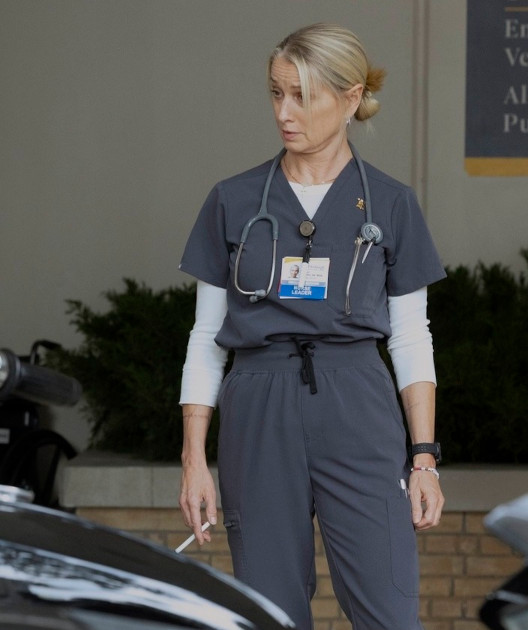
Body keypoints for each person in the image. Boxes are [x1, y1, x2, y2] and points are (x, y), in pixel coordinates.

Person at [176, 24, 444, 630]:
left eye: (302, 96)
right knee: (269, 611)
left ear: (351, 98)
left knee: (390, 611)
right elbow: (205, 340)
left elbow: (410, 338)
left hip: (357, 401)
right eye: (276, 93)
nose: (284, 112)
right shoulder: (233, 200)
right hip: (258, 404)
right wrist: (193, 458)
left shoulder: (391, 203)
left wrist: (424, 457)